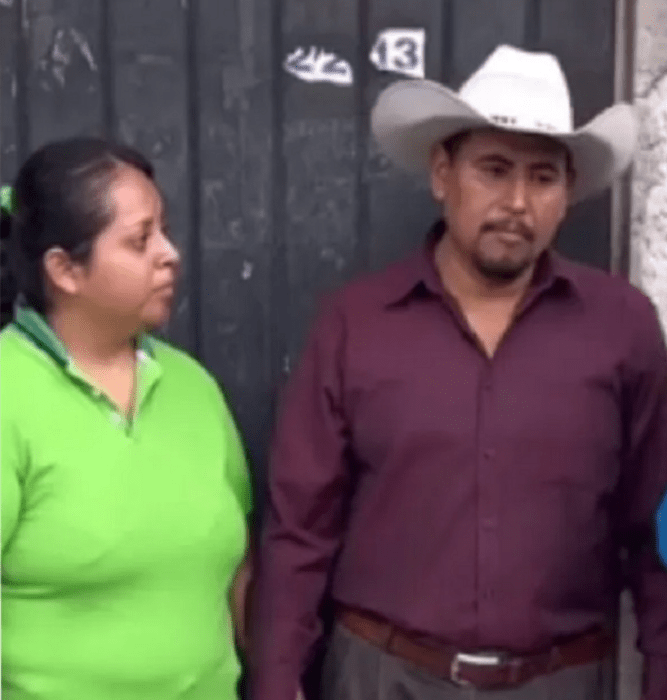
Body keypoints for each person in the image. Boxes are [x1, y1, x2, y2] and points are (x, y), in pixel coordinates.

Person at [250, 45, 667, 700]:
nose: (516, 201)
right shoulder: (355, 324)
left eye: (541, 178)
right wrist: (275, 682)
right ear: (442, 173)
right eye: (493, 170)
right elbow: (299, 528)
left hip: (559, 681)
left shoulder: (622, 329)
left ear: (567, 193)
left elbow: (654, 528)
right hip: (382, 675)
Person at [1, 137, 253, 700]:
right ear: (65, 270)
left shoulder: (192, 387)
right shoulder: (8, 393)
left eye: (163, 230)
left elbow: (239, 572)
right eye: (141, 240)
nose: (170, 253)